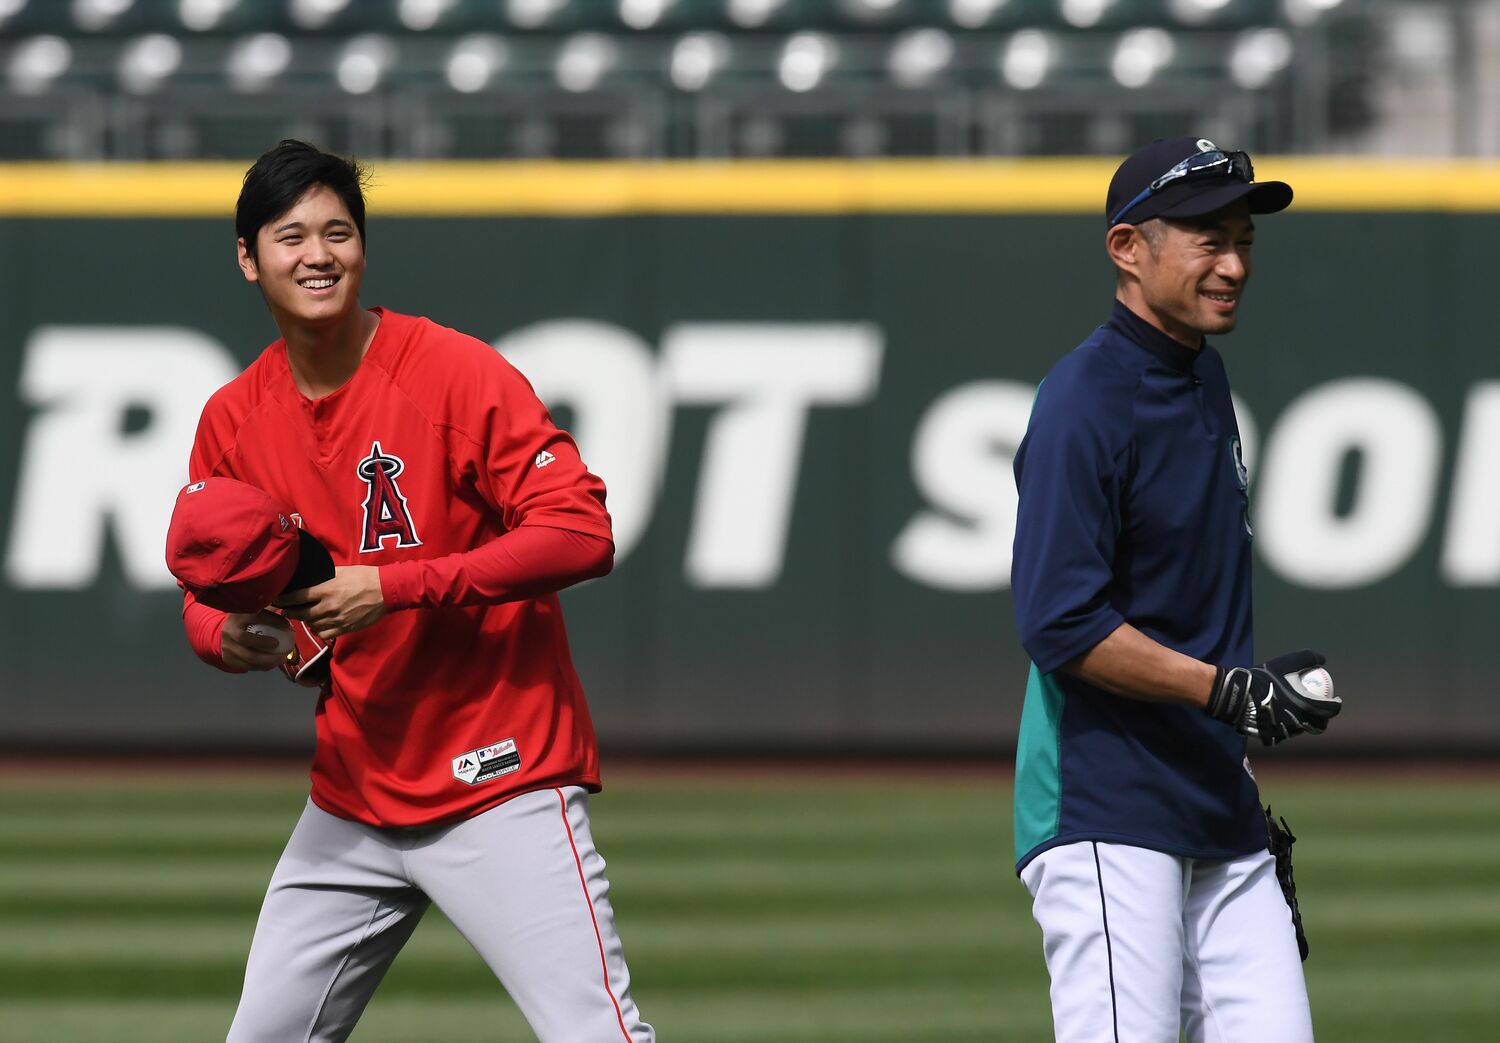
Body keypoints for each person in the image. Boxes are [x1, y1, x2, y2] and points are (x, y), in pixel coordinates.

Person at [172, 139, 654, 1042]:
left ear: (363, 246)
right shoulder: (233, 418)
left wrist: (394, 588)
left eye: (338, 231)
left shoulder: (452, 371)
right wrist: (222, 636)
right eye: (290, 236)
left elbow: (583, 532)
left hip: (497, 774)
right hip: (353, 790)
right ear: (249, 257)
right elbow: (207, 585)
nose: (318, 254)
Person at [1009, 137, 1343, 1042]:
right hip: (1107, 804)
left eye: (1243, 239)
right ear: (1129, 248)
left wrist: (1243, 685)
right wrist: (1222, 687)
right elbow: (1060, 622)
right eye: (1206, 238)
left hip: (1216, 799)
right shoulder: (1085, 398)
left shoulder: (1203, 373)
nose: (1233, 264)